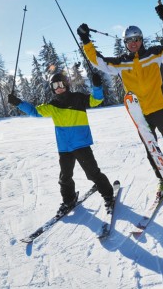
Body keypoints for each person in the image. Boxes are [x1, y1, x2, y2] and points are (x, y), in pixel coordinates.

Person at [77, 4, 163, 194]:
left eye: (136, 39)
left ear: (141, 40)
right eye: (129, 40)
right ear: (125, 43)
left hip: (161, 109)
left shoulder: (155, 54)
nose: (133, 43)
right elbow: (97, 61)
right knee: (152, 150)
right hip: (140, 115)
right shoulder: (120, 63)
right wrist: (86, 40)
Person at [7, 72, 115, 216]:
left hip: (81, 144)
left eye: (60, 84)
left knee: (92, 173)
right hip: (64, 147)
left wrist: (96, 86)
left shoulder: (78, 98)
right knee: (65, 177)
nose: (58, 88)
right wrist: (19, 103)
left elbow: (96, 100)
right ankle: (69, 200)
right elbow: (34, 112)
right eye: (54, 85)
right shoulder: (53, 105)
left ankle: (108, 195)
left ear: (66, 84)